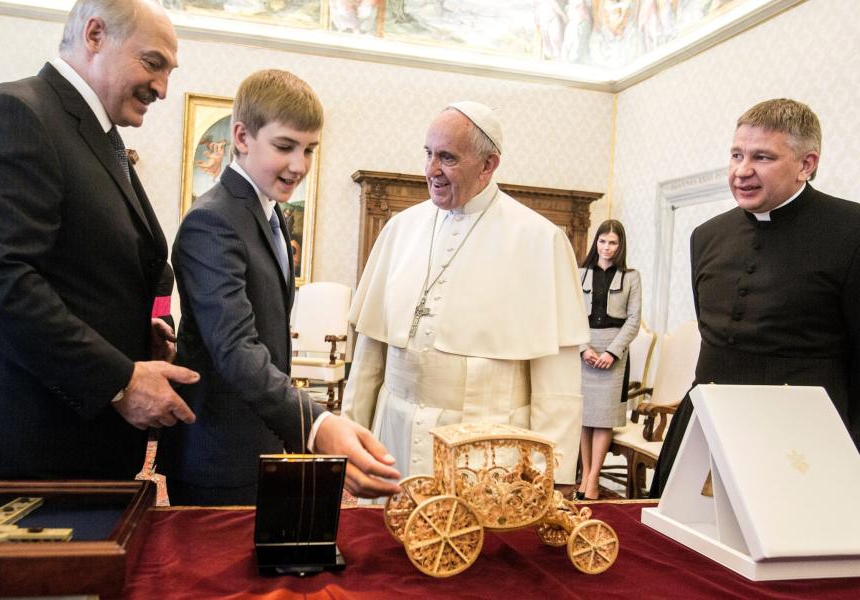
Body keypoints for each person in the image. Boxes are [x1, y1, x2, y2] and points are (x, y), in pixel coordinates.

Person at [0, 0, 199, 481]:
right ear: (93, 36)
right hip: (9, 459)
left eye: (169, 71)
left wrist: (136, 335)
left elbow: (81, 276)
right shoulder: (12, 114)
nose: (163, 89)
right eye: (153, 63)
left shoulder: (93, 137)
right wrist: (120, 380)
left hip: (66, 449)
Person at [158, 69, 401, 506]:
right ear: (242, 136)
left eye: (309, 150)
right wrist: (316, 425)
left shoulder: (269, 214)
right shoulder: (212, 220)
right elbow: (235, 348)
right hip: (219, 454)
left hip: (258, 440)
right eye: (285, 146)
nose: (300, 165)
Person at [342, 101, 589, 488]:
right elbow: (372, 351)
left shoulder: (539, 240)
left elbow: (555, 377)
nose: (431, 169)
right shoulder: (399, 230)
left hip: (487, 449)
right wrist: (351, 436)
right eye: (428, 154)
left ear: (488, 164)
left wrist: (552, 475)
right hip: (394, 433)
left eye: (447, 157)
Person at [651, 98, 860, 496]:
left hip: (803, 442)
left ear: (806, 164)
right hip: (705, 432)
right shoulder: (707, 236)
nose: (742, 171)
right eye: (736, 155)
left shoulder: (852, 233)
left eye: (762, 157)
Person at [576, 219, 641, 500]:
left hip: (613, 351)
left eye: (613, 242)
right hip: (585, 348)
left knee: (602, 419)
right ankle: (585, 475)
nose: (607, 247)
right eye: (603, 241)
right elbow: (571, 314)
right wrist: (583, 348)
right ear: (596, 242)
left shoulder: (631, 276)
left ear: (620, 245)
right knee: (584, 416)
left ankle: (592, 480)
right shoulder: (579, 273)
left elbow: (634, 320)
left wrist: (611, 352)